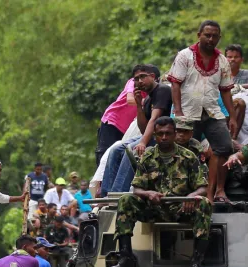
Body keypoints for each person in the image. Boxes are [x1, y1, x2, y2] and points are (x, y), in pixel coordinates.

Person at [106, 117, 212, 267]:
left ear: (174, 134)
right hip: (154, 207)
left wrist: (191, 197)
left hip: (181, 208)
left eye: (168, 133)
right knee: (126, 200)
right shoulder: (147, 157)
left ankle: (196, 262)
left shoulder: (188, 157)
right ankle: (126, 258)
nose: (164, 137)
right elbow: (137, 187)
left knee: (204, 203)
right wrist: (148, 194)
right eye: (160, 134)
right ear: (155, 135)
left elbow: (203, 187)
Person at [168, 20, 237, 204]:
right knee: (183, 150)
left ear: (219, 38)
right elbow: (175, 83)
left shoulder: (222, 60)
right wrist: (178, 110)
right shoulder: (185, 56)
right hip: (188, 111)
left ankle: (217, 192)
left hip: (212, 111)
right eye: (207, 35)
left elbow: (226, 90)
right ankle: (183, 192)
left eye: (214, 36)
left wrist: (232, 116)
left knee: (224, 146)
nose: (211, 39)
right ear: (199, 35)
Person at [102, 64, 170, 197]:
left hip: (164, 135)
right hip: (150, 135)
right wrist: (139, 105)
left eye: (143, 77)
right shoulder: (147, 99)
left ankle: (117, 195)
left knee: (131, 150)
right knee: (116, 149)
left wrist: (143, 143)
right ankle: (106, 195)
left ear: (152, 76)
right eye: (136, 79)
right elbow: (143, 128)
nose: (139, 81)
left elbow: (154, 119)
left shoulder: (162, 90)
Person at [96, 74, 143, 166]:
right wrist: (150, 101)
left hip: (128, 129)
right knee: (105, 154)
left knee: (121, 157)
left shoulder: (154, 90)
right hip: (113, 122)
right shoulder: (133, 82)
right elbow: (130, 100)